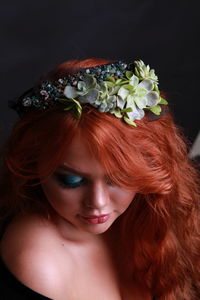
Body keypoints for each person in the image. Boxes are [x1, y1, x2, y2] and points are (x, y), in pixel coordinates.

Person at [0, 58, 199, 300]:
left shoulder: (150, 220)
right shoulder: (38, 262)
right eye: (72, 181)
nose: (98, 203)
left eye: (120, 178)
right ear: (34, 165)